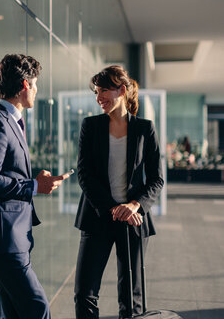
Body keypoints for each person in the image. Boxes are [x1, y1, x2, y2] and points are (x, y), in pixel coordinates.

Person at [0, 54, 68, 319]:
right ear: (25, 85)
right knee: (37, 308)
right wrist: (34, 186)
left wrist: (35, 179)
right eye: (35, 85)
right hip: (4, 238)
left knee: (13, 312)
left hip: (9, 235)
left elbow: (6, 172)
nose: (36, 91)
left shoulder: (8, 122)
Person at [74, 65, 164, 319]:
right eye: (96, 91)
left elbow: (156, 179)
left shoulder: (145, 129)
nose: (98, 97)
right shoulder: (90, 127)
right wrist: (114, 208)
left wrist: (135, 205)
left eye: (104, 90)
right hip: (97, 217)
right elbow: (85, 175)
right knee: (85, 293)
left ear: (121, 90)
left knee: (131, 298)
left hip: (133, 221)